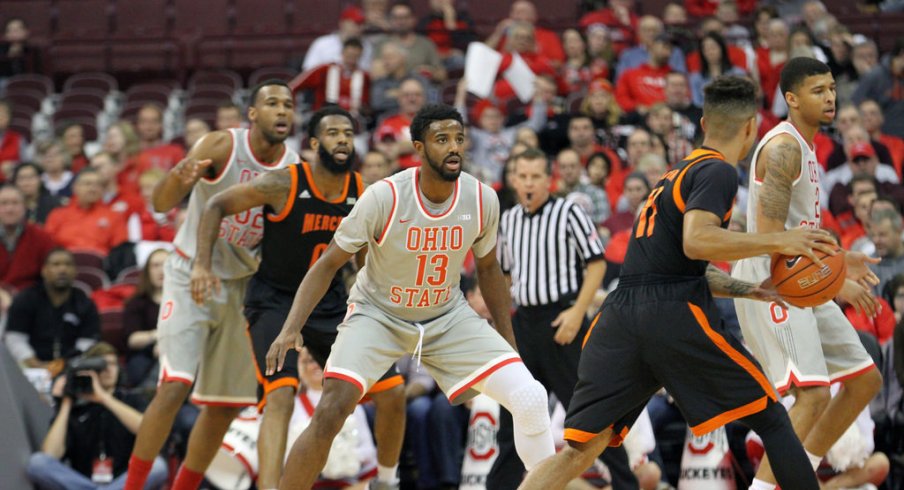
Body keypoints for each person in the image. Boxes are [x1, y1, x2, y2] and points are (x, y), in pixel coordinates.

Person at [518, 76, 825, 490]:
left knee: (584, 448)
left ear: (702, 122)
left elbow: (669, 265)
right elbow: (696, 242)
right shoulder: (717, 170)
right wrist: (780, 238)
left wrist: (748, 289)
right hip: (670, 315)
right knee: (771, 415)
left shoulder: (675, 173)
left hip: (622, 314)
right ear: (752, 128)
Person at [266, 104, 555, 489]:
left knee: (531, 397)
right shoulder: (383, 197)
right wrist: (291, 328)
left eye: (458, 139)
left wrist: (508, 340)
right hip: (378, 314)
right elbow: (327, 264)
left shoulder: (482, 198)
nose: (453, 147)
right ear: (419, 147)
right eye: (441, 140)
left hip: (446, 315)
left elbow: (488, 270)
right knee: (332, 409)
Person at [190, 106, 406, 490]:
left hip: (329, 306)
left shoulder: (362, 191)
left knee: (391, 392)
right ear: (313, 144)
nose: (342, 139)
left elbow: (363, 261)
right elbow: (215, 204)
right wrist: (202, 264)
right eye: (333, 132)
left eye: (347, 133)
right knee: (281, 396)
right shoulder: (285, 183)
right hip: (275, 302)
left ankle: (386, 482)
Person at [122, 80, 300, 490]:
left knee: (224, 407)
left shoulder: (293, 170)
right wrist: (178, 177)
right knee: (175, 384)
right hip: (190, 273)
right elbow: (162, 203)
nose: (282, 111)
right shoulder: (221, 146)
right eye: (272, 103)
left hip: (241, 286)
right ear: (252, 114)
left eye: (288, 105)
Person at [731, 58, 883, 490]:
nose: (830, 97)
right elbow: (773, 239)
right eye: (818, 90)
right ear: (791, 99)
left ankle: (803, 475)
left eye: (832, 87)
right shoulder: (783, 149)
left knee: (863, 381)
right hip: (772, 283)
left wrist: (839, 255)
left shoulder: (807, 144)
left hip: (798, 275)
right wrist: (836, 279)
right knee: (812, 395)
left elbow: (801, 230)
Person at [489, 147, 636, 490]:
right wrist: (501, 323)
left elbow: (596, 263)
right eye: (522, 176)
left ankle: (626, 484)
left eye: (535, 176)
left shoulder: (568, 211)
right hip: (524, 325)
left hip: (563, 324)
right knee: (512, 421)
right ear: (512, 180)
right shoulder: (508, 219)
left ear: (549, 178)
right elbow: (506, 275)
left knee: (591, 419)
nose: (528, 183)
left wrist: (576, 311)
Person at [26, 342, 168, 490]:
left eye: (113, 364)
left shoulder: (132, 399)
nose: (108, 369)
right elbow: (51, 454)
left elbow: (149, 432)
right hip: (82, 481)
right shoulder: (75, 408)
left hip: (125, 480)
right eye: (102, 365)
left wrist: (104, 398)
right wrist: (66, 402)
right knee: (37, 462)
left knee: (157, 466)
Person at [4, 248, 100, 369]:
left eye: (68, 264)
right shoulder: (26, 299)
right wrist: (35, 364)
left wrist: (64, 366)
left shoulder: (85, 303)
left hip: (72, 368)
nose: (62, 269)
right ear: (44, 270)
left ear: (75, 271)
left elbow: (88, 342)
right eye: (56, 264)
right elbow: (15, 338)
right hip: (28, 368)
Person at [44, 168, 129, 255]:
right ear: (75, 187)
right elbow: (47, 246)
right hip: (65, 264)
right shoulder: (58, 215)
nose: (93, 189)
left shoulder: (114, 216)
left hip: (101, 265)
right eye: (87, 184)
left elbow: (121, 251)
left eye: (98, 185)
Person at [124, 249, 169, 388]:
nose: (161, 270)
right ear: (147, 270)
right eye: (155, 265)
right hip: (146, 357)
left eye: (166, 265)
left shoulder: (186, 301)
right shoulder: (137, 302)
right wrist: (159, 335)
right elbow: (133, 339)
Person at [290, 38, 370, 116]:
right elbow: (293, 87)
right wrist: (294, 113)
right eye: (349, 56)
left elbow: (366, 105)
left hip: (352, 121)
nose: (351, 61)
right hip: (323, 118)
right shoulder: (324, 70)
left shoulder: (364, 77)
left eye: (355, 57)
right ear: (342, 53)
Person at [0, 184, 56, 295]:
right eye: (3, 203)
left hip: (31, 301)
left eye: (15, 203)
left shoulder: (42, 237)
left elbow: (51, 277)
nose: (9, 209)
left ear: (25, 207)